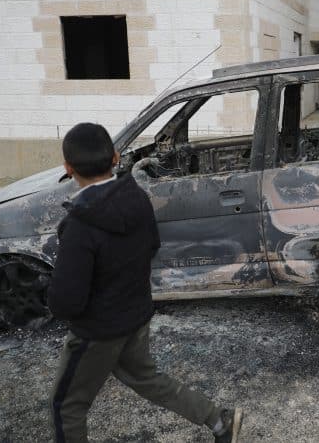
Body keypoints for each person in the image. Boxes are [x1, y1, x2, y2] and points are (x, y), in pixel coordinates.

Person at [47, 123, 242, 442]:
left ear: (67, 168)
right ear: (115, 157)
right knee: (147, 377)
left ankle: (219, 420)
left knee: (66, 405)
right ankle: (219, 420)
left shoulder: (79, 226)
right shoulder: (135, 196)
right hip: (135, 316)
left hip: (97, 333)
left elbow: (67, 302)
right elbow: (151, 246)